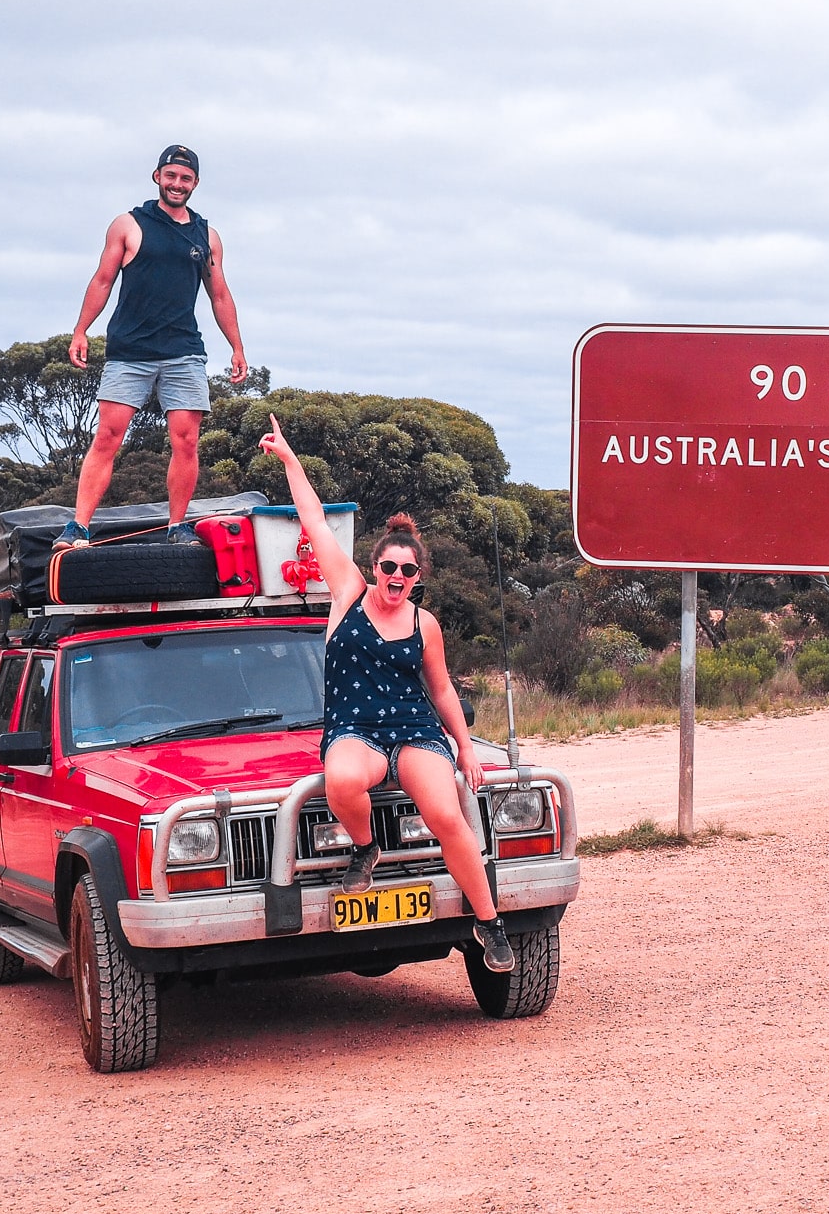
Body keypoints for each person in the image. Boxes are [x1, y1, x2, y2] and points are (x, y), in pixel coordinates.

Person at [257, 415, 518, 973]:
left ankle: (489, 922)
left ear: (417, 575)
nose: (396, 575)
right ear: (373, 567)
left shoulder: (425, 623)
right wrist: (290, 460)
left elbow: (442, 689)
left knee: (448, 815)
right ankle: (364, 847)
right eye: (388, 566)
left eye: (407, 569)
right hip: (355, 729)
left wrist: (466, 747)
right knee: (343, 781)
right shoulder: (347, 594)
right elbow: (315, 520)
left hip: (413, 730)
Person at [56, 144, 249, 549]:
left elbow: (219, 294)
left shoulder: (206, 235)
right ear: (157, 176)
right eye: (171, 175)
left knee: (186, 441)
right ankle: (78, 528)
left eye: (186, 178)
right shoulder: (128, 225)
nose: (177, 184)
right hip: (131, 351)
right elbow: (103, 280)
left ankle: (177, 526)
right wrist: (80, 331)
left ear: (195, 183)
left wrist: (237, 346)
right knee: (108, 436)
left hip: (184, 352)